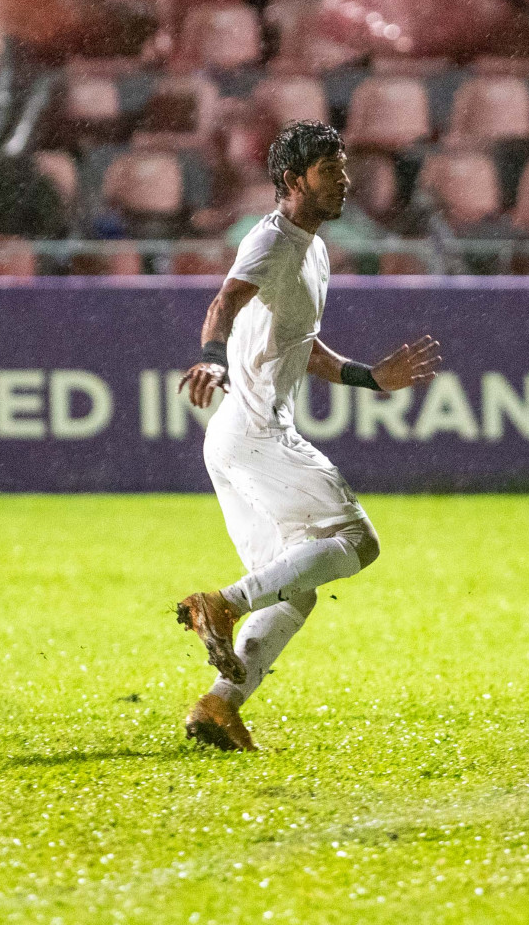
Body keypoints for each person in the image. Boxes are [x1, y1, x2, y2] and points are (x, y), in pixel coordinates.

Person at [174, 120, 441, 752]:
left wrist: (370, 379)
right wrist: (212, 358)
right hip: (258, 432)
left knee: (293, 591)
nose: (346, 179)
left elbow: (301, 344)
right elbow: (222, 305)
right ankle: (223, 602)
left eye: (344, 167)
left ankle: (217, 707)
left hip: (235, 437)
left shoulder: (315, 248)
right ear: (294, 181)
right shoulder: (270, 242)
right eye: (331, 170)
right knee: (358, 539)